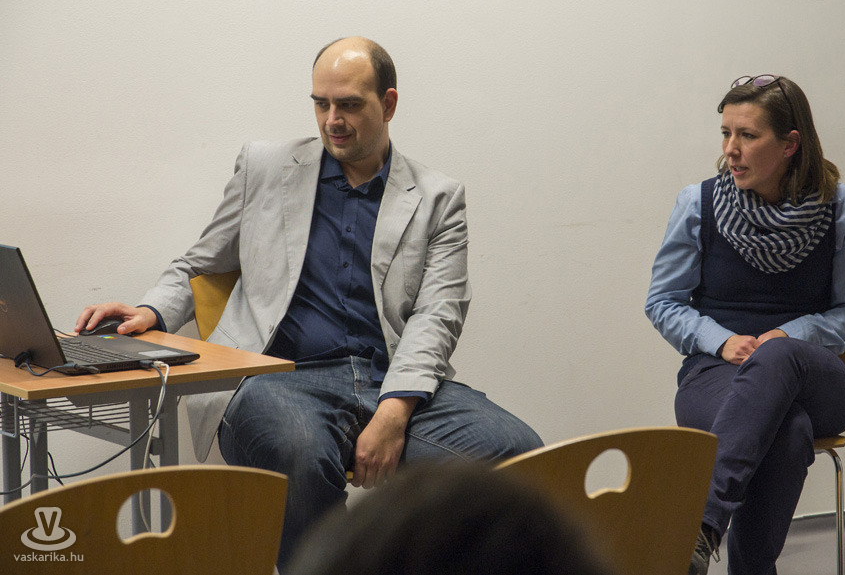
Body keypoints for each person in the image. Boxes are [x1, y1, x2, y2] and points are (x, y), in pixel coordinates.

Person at [76, 36, 543, 569]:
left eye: (349, 105)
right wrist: (152, 311)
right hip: (278, 378)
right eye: (321, 104)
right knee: (300, 451)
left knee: (519, 451)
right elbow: (200, 263)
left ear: (389, 104)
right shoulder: (264, 167)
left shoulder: (438, 198)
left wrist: (394, 412)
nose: (332, 121)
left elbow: (437, 316)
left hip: (391, 381)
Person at [645, 75, 845, 575]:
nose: (730, 149)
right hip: (715, 375)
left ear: (790, 144)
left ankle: (701, 527)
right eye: (725, 133)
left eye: (747, 135)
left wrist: (793, 336)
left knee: (780, 354)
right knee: (788, 434)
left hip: (816, 380)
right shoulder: (697, 204)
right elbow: (662, 302)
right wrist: (720, 340)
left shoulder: (839, 206)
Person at [286, 461, 616, 575]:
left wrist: (396, 405)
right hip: (290, 376)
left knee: (516, 444)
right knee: (300, 453)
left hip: (397, 381)